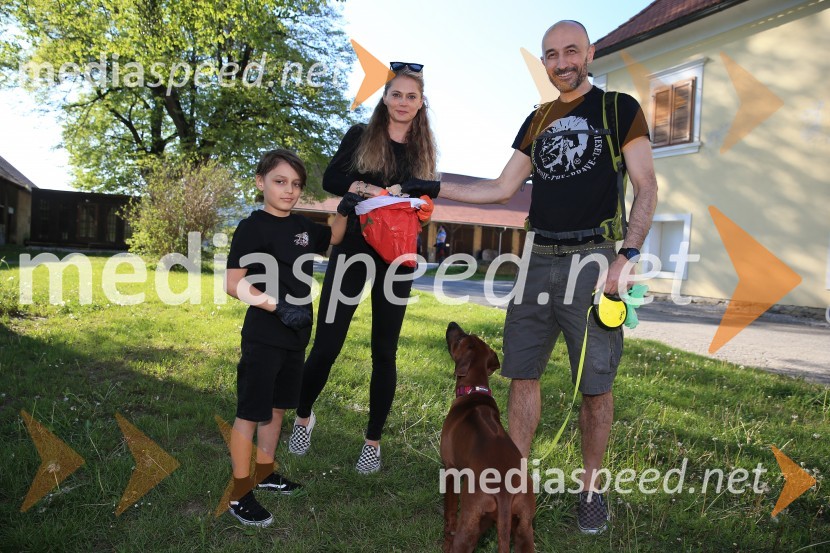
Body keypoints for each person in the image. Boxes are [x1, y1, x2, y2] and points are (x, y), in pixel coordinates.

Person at [403, 20, 658, 535]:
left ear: (588, 53)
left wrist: (625, 256)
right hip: (537, 256)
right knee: (522, 373)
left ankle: (591, 488)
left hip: (595, 257)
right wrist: (431, 186)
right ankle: (509, 480)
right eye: (550, 55)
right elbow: (500, 188)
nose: (561, 61)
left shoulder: (618, 109)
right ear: (543, 63)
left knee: (594, 385)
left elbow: (647, 186)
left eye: (570, 51)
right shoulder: (537, 119)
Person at [288, 63, 438, 474]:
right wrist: (367, 188)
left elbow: (429, 191)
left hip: (398, 252)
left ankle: (372, 442)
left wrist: (414, 200)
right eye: (396, 94)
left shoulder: (423, 147)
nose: (403, 102)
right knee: (327, 342)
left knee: (384, 350)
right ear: (384, 98)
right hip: (354, 245)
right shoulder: (361, 135)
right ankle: (303, 418)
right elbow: (333, 177)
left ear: (421, 102)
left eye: (412, 96)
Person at [224, 149, 361, 526]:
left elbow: (333, 236)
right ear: (260, 182)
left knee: (278, 406)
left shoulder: (300, 226)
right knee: (250, 413)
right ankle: (239, 493)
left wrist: (345, 208)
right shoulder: (252, 227)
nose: (289, 190)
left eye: (296, 184)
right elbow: (233, 284)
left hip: (297, 335)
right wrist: (277, 306)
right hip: (265, 334)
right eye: (280, 181)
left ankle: (266, 473)